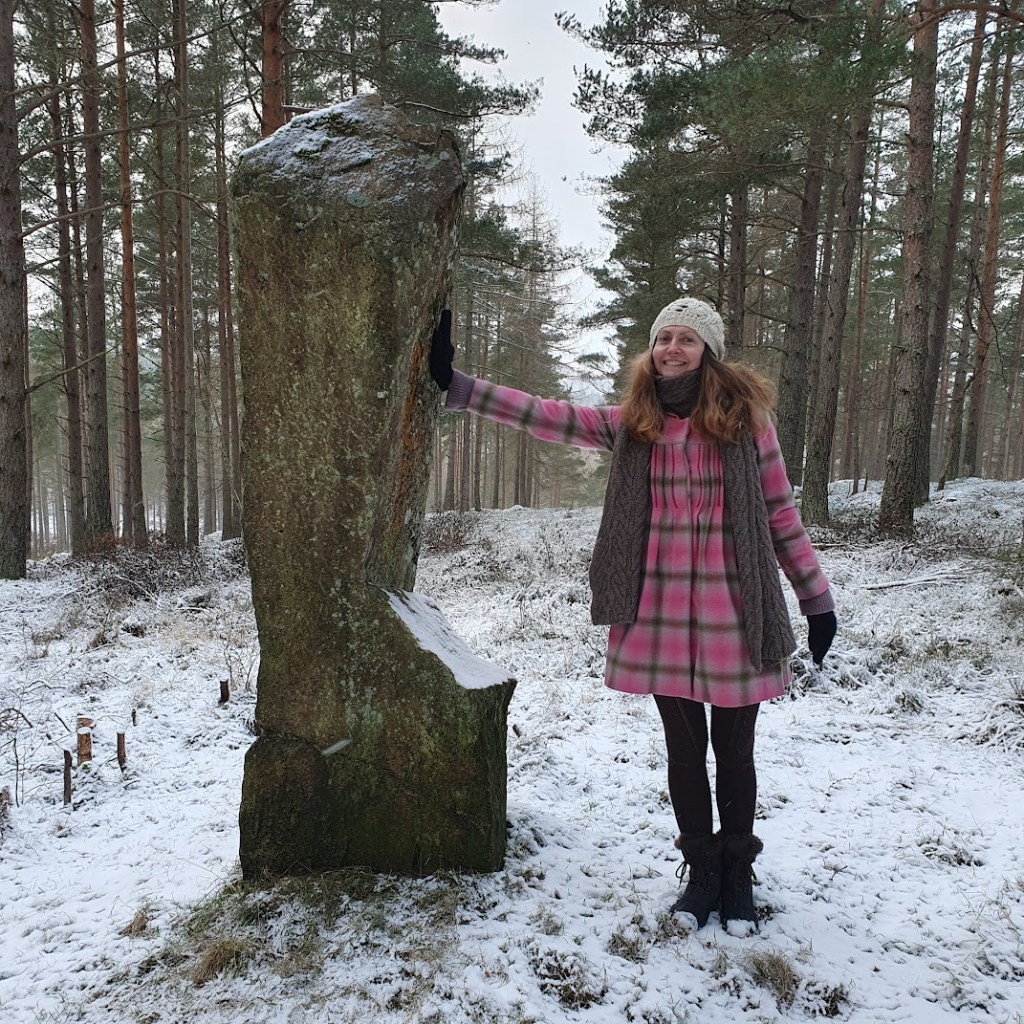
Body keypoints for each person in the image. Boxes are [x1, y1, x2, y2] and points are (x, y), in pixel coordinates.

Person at [428, 298, 837, 935]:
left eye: (687, 339)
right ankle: (700, 873)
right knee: (683, 748)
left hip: (737, 603)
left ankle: (736, 876)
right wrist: (459, 385)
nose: (672, 348)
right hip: (658, 608)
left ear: (709, 351)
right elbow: (548, 417)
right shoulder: (634, 423)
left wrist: (814, 597)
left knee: (735, 752)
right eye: (663, 338)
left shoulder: (745, 422)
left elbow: (781, 514)